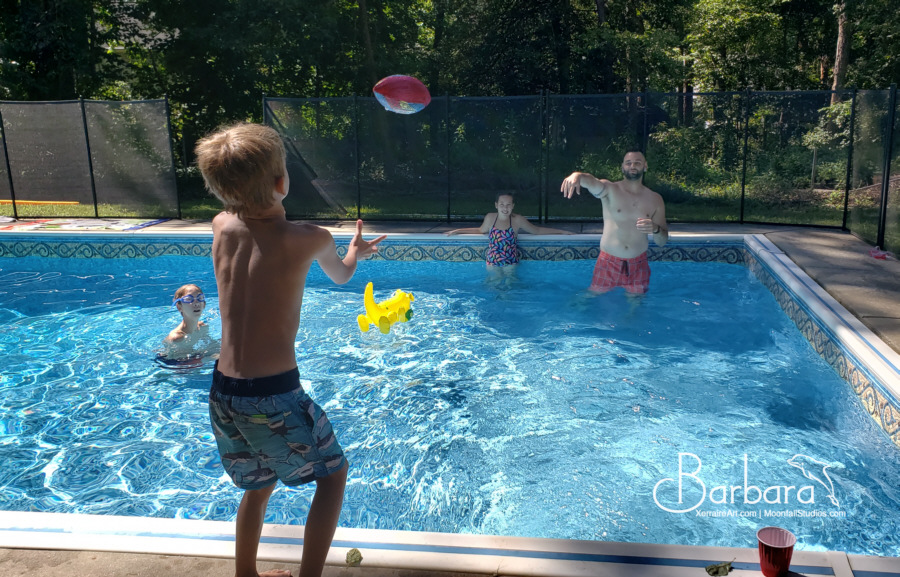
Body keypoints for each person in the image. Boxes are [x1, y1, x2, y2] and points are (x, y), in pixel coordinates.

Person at [194, 122, 385, 577]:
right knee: (333, 476)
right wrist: (356, 251)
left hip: (224, 392)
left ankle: (246, 574)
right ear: (282, 183)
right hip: (272, 394)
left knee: (258, 485)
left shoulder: (221, 226)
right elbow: (341, 275)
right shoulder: (311, 238)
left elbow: (241, 219)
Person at [561, 150, 668, 295]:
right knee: (592, 296)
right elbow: (593, 182)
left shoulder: (655, 199)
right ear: (622, 167)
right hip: (608, 263)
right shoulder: (610, 189)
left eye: (637, 162)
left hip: (639, 264)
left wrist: (655, 229)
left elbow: (662, 241)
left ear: (645, 166)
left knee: (635, 308)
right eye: (628, 163)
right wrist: (578, 175)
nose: (632, 166)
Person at [446, 192, 572, 275]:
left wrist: (561, 231)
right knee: (493, 288)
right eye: (502, 204)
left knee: (509, 290)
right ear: (496, 205)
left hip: (510, 263)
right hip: (492, 262)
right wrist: (458, 231)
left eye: (508, 205)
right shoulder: (490, 218)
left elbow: (537, 230)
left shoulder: (517, 220)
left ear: (513, 206)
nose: (505, 208)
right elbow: (480, 230)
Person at [157, 283, 213, 367]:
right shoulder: (178, 337)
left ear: (204, 304)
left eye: (199, 298)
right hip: (168, 365)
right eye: (188, 299)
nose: (196, 303)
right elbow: (182, 365)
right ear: (179, 307)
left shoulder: (202, 327)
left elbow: (213, 347)